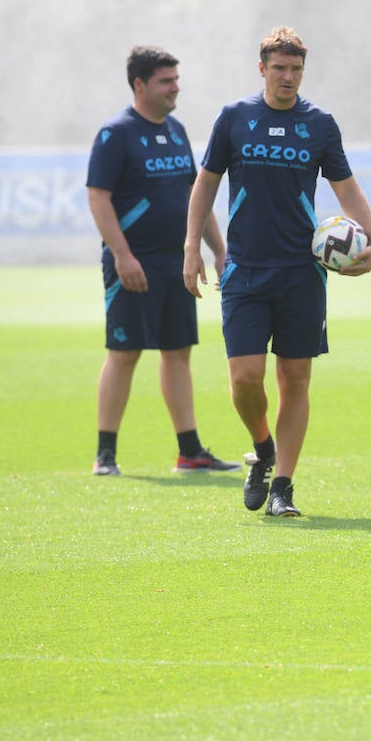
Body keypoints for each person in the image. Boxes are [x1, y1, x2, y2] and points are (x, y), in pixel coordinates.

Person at [183, 26, 371, 518]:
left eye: (296, 69)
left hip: (302, 271)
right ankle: (263, 448)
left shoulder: (320, 124)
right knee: (246, 379)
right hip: (245, 269)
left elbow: (346, 189)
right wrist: (192, 247)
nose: (288, 77)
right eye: (280, 68)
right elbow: (205, 185)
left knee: (295, 378)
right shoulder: (234, 118)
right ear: (262, 69)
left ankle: (284, 489)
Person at [87, 45, 237, 477]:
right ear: (140, 85)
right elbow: (98, 198)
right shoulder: (116, 134)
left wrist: (217, 247)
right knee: (125, 352)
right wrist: (122, 255)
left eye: (176, 79)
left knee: (177, 352)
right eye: (166, 81)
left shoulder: (175, 130)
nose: (176, 88)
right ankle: (105, 455)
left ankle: (189, 452)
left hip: (175, 262)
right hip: (133, 264)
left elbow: (198, 195)